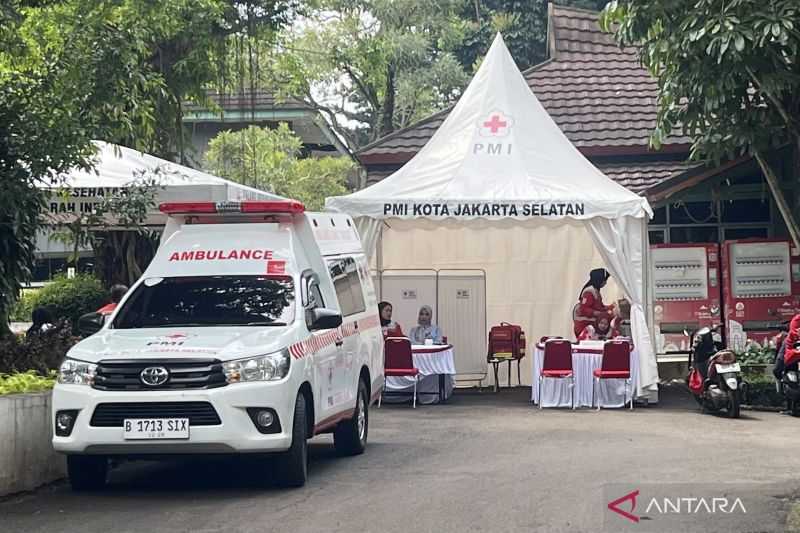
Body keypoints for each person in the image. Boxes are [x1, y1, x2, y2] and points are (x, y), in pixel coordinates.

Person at [572, 268, 615, 338]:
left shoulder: (595, 290)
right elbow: (583, 309)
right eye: (604, 281)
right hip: (584, 326)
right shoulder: (589, 292)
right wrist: (598, 313)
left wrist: (610, 307)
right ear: (599, 280)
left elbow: (599, 306)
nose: (605, 283)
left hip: (591, 325)